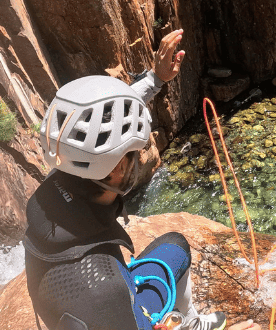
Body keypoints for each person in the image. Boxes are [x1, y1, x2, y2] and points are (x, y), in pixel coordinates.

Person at [24, 30, 259, 330]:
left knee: (175, 245)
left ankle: (187, 321)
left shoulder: (59, 182)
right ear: (116, 170)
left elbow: (96, 129)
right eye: (134, 154)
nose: (139, 157)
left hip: (101, 303)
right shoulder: (106, 295)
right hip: (123, 314)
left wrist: (155, 79)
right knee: (175, 250)